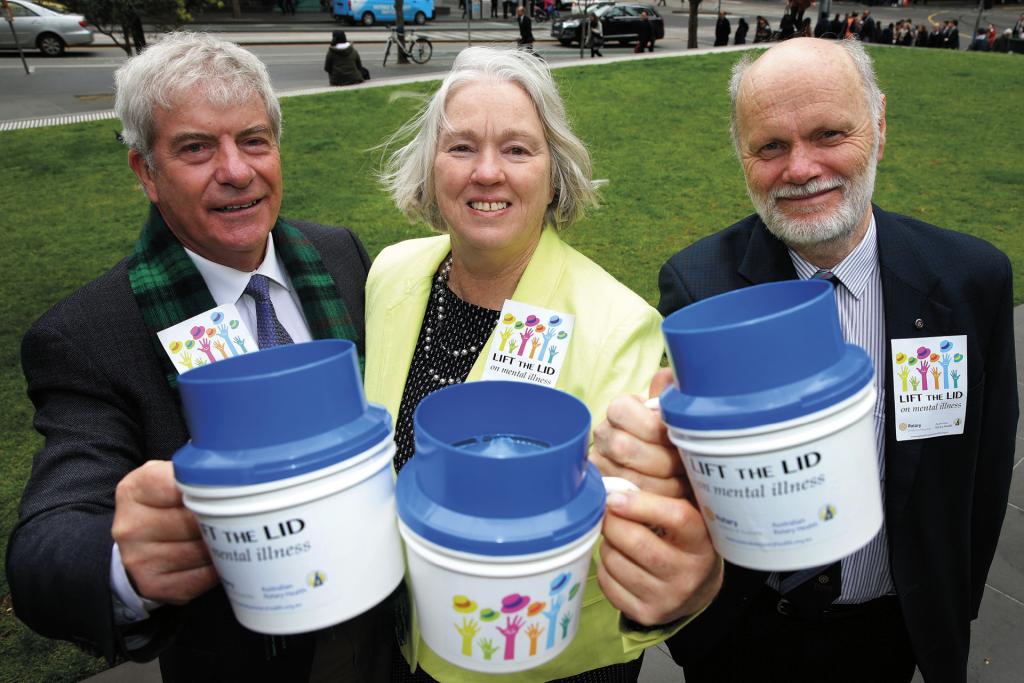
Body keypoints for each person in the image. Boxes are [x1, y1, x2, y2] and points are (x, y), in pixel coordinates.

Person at [593, 37, 1017, 682]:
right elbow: (688, 474)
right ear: (741, 154)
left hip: (894, 628)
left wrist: (950, 606)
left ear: (879, 126)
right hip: (748, 633)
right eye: (770, 146)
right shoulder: (700, 284)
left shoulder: (970, 280)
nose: (800, 168)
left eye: (828, 134)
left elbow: (983, 473)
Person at [6, 32, 389, 681]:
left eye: (254, 140)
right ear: (145, 173)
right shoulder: (88, 335)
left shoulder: (340, 255)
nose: (236, 170)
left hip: (386, 628)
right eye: (196, 148)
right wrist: (125, 563)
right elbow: (46, 543)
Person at [371, 46, 721, 682]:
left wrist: (680, 578)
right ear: (429, 166)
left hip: (545, 662)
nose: (487, 172)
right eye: (460, 147)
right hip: (402, 648)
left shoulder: (620, 326)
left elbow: (649, 537)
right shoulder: (391, 274)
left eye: (517, 149)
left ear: (555, 174)